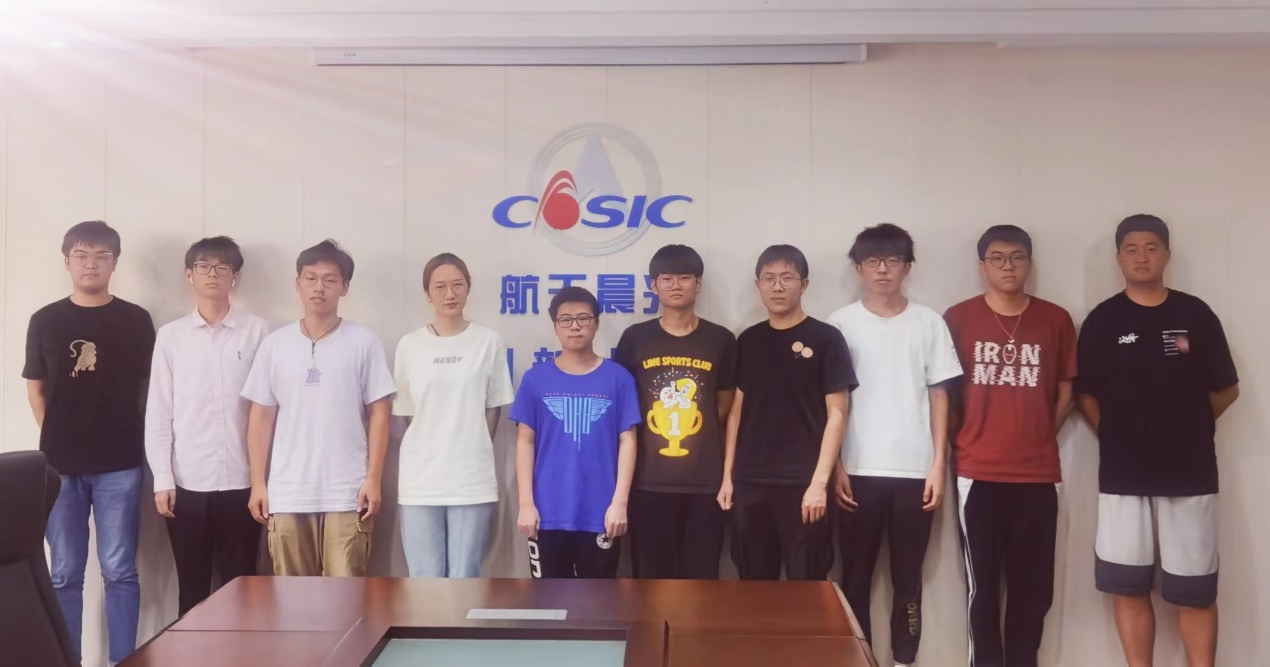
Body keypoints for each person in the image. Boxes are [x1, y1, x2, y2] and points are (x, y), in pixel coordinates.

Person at [1077, 215, 1238, 667]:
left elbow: (1227, 389)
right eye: (1131, 249)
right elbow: (1084, 394)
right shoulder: (1103, 320)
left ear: (1167, 254)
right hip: (1123, 475)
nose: (1142, 257)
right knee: (1128, 585)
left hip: (1191, 474)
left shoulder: (1196, 314)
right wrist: (1117, 434)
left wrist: (1189, 428)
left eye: (1152, 247)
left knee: (1195, 589)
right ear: (1118, 258)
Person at [828, 224, 962, 667]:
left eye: (892, 260)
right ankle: (858, 660)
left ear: (908, 267)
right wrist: (836, 466)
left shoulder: (929, 322)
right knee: (855, 577)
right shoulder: (840, 324)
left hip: (914, 473)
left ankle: (905, 661)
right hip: (857, 472)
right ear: (859, 268)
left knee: (908, 579)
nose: (882, 269)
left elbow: (940, 397)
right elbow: (833, 403)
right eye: (872, 261)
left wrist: (938, 464)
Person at [23, 220, 155, 666]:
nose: (91, 263)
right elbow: (36, 389)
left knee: (120, 571)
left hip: (121, 463)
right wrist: (61, 435)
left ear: (115, 263)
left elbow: (148, 390)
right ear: (67, 262)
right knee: (64, 573)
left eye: (101, 255)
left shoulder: (136, 320)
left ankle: (123, 661)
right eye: (81, 255)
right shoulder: (45, 320)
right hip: (58, 468)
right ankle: (68, 661)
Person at [944, 225, 1077, 667]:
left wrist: (1038, 433)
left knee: (1032, 589)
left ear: (1029, 263)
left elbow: (1066, 393)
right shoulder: (958, 318)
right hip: (977, 473)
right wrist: (967, 437)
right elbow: (945, 395)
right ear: (982, 266)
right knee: (981, 589)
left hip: (1038, 474)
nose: (1008, 266)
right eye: (997, 258)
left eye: (1017, 257)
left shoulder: (1055, 319)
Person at [243, 239, 395, 577]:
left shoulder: (364, 342)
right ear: (297, 284)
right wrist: (258, 483)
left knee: (345, 597)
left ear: (345, 287)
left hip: (347, 493)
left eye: (329, 280)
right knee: (292, 598)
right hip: (287, 493)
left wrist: (373, 479)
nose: (319, 288)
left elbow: (380, 413)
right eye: (310, 278)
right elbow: (261, 417)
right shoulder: (275, 345)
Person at [145, 236, 269, 615]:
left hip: (243, 481)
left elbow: (268, 410)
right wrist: (163, 477)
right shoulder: (171, 336)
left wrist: (265, 479)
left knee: (243, 589)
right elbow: (159, 410)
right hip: (187, 482)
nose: (213, 274)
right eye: (203, 266)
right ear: (189, 275)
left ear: (235, 277)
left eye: (222, 267)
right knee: (193, 589)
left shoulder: (258, 332)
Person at [721, 244, 855, 581]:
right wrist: (728, 476)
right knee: (753, 584)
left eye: (787, 278)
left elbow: (837, 416)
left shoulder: (826, 339)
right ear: (758, 285)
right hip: (750, 483)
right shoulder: (748, 340)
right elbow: (736, 413)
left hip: (803, 483)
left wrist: (819, 484)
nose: (777, 287)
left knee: (807, 584)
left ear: (804, 284)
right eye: (768, 279)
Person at [614, 244, 737, 580]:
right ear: (653, 286)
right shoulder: (635, 338)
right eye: (666, 278)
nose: (676, 285)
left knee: (701, 581)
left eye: (685, 277)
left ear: (698, 284)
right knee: (649, 581)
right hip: (647, 482)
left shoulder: (721, 339)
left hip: (705, 483)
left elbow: (723, 405)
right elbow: (623, 406)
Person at [393, 253, 514, 578]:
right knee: (425, 580)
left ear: (468, 288)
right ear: (427, 293)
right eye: (440, 287)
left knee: (465, 577)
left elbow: (492, 410)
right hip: (421, 480)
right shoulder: (409, 345)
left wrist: (467, 443)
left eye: (458, 285)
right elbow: (408, 413)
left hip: (470, 478)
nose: (450, 294)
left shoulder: (488, 341)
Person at [511, 286, 639, 579]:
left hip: (602, 514)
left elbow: (628, 441)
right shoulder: (535, 379)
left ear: (596, 323)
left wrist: (620, 503)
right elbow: (525, 442)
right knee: (547, 599)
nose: (575, 326)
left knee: (599, 600)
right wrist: (526, 504)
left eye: (583, 318)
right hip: (546, 515)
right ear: (555, 326)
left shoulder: (618, 379)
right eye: (565, 319)